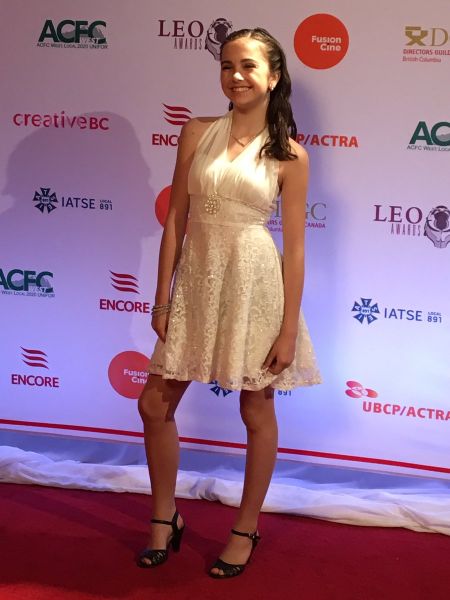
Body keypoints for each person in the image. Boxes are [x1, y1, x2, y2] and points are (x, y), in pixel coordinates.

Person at [137, 27, 321, 579]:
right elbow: (176, 218)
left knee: (255, 410)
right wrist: (162, 298)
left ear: (274, 76)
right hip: (196, 282)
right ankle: (164, 517)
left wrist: (287, 329)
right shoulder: (196, 132)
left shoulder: (291, 155)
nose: (235, 76)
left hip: (254, 284)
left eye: (247, 66)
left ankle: (245, 527)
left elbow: (295, 250)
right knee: (153, 405)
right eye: (226, 66)